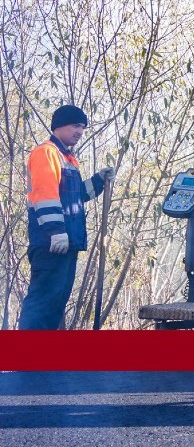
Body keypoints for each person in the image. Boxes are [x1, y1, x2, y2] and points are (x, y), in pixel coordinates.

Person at [19, 105, 114, 330]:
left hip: (66, 243)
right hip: (50, 243)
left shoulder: (68, 158)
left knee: (54, 304)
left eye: (82, 127)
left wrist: (98, 180)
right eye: (75, 125)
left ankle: (42, 362)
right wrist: (56, 231)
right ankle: (25, 360)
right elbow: (45, 196)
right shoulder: (46, 153)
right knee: (42, 302)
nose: (80, 131)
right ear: (59, 126)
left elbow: (76, 196)